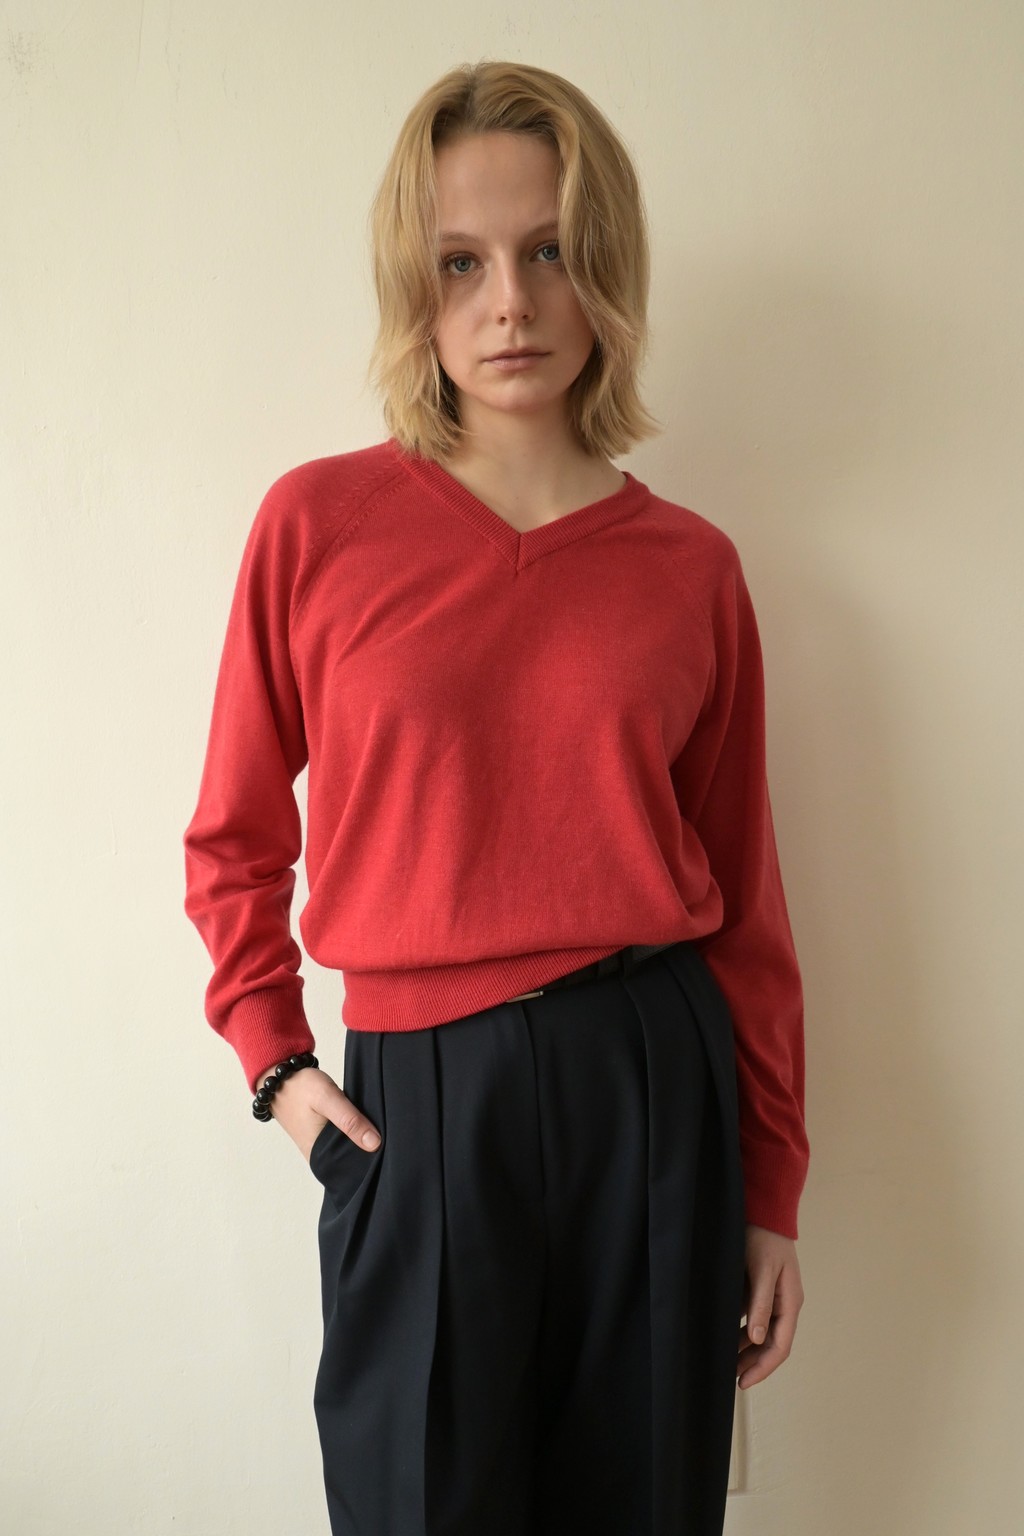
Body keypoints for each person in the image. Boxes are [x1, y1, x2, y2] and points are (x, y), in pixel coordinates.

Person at [183, 59, 808, 1536]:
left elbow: (747, 899)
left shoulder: (691, 570)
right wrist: (277, 1066)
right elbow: (233, 839)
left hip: (649, 1080)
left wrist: (771, 1184)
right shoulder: (318, 527)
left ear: (607, 271)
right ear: (414, 283)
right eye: (461, 262)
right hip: (418, 1102)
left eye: (549, 253)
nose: (510, 304)